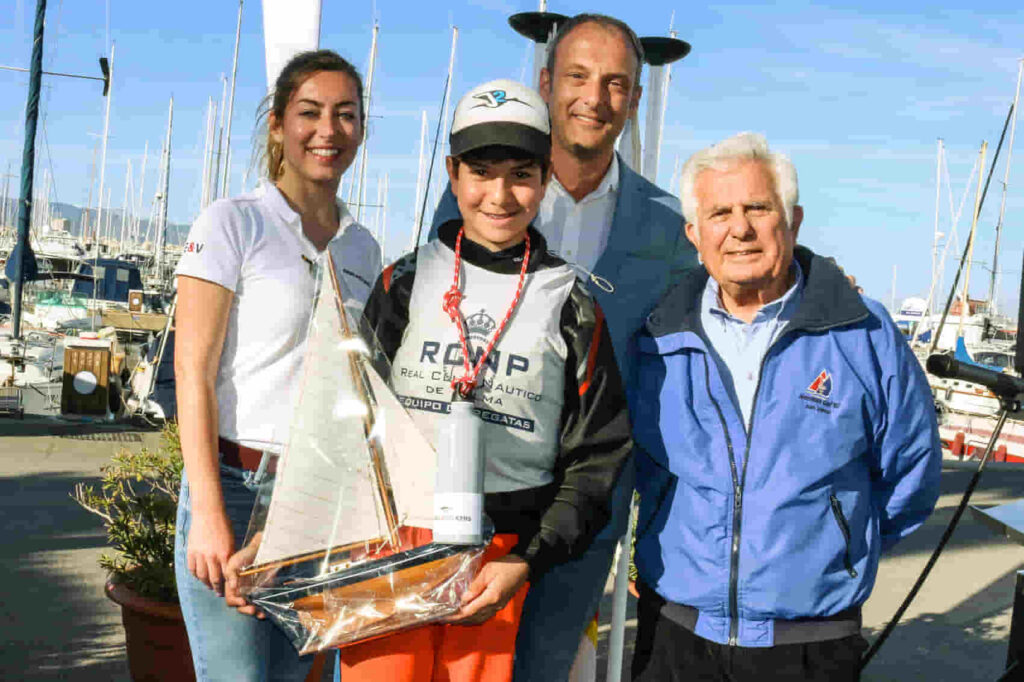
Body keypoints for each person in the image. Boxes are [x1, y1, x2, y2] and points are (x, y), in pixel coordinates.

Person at [429, 15, 697, 680]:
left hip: (584, 517)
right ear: (547, 84)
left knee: (542, 669)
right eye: (578, 76)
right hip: (468, 499)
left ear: (635, 100)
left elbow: (674, 373)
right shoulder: (480, 195)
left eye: (615, 84)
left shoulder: (669, 229)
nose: (594, 97)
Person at [338, 78, 632, 682]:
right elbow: (347, 419)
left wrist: (527, 559)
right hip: (390, 552)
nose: (500, 194)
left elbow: (598, 458)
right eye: (481, 170)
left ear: (547, 179)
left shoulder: (572, 302)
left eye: (521, 173)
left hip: (498, 560)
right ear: (452, 173)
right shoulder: (404, 281)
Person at [628, 132, 942, 681]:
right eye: (719, 212)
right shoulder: (656, 338)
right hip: (675, 632)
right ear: (693, 234)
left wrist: (835, 547)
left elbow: (910, 475)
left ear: (792, 222)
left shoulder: (863, 333)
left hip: (810, 641)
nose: (740, 228)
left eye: (757, 208)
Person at [173, 50, 381, 681]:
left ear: (361, 130)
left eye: (345, 115)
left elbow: (353, 387)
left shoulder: (363, 247)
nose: (328, 130)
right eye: (310, 113)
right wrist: (209, 513)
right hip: (234, 489)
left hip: (313, 502)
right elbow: (193, 374)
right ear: (277, 126)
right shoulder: (234, 223)